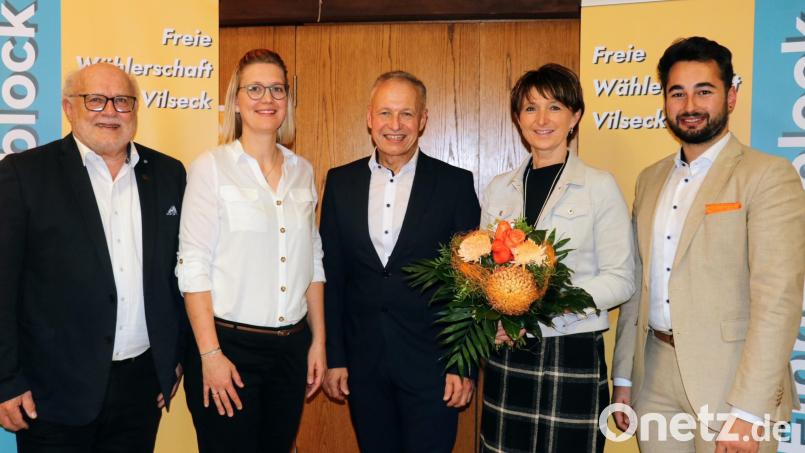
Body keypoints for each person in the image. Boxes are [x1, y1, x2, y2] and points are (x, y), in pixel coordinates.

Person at [612, 36, 805, 452]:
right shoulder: (649, 179)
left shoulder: (767, 176)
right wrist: (624, 377)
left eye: (704, 91)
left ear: (730, 96)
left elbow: (778, 300)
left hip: (731, 381)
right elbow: (637, 283)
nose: (690, 105)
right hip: (654, 377)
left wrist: (749, 411)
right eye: (677, 93)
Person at [0, 63, 187, 452]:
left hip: (141, 389)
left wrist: (173, 355)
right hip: (51, 393)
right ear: (69, 108)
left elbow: (179, 274)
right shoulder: (24, 174)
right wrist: (6, 380)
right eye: (96, 100)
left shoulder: (169, 174)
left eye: (122, 100)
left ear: (135, 109)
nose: (110, 111)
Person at [320, 71, 479, 453]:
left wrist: (462, 364)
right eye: (385, 113)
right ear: (369, 118)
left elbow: (471, 282)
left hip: (434, 368)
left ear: (423, 120)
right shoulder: (340, 183)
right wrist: (335, 358)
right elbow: (333, 277)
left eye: (406, 113)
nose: (395, 125)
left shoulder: (455, 184)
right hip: (363, 366)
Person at [479, 63, 635, 453]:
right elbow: (483, 273)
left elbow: (621, 280)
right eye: (530, 108)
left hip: (572, 350)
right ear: (518, 119)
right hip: (509, 350)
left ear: (574, 116)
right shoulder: (499, 189)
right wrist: (496, 317)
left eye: (554, 107)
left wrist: (547, 305)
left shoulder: (599, 186)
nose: (542, 119)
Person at [177, 49, 325, 453]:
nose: (267, 98)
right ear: (237, 100)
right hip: (228, 348)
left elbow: (312, 261)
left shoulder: (303, 171)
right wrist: (210, 354)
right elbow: (193, 266)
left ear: (287, 100)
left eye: (277, 89)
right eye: (255, 88)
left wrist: (318, 342)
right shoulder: (210, 167)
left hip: (291, 350)